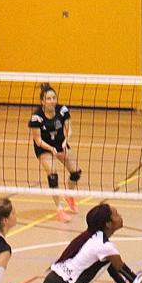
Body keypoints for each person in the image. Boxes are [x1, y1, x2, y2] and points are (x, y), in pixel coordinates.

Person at [28, 83, 81, 222]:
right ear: (42, 101)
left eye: (54, 98)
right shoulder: (36, 117)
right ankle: (59, 208)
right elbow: (38, 140)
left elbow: (69, 130)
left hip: (60, 143)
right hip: (44, 147)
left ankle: (69, 195)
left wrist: (65, 141)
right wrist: (51, 149)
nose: (52, 101)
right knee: (52, 176)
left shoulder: (62, 110)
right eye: (48, 98)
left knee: (76, 173)